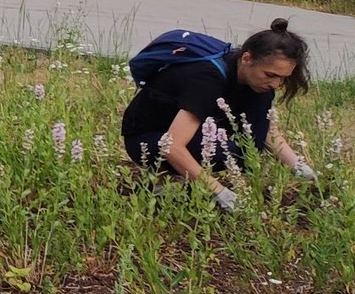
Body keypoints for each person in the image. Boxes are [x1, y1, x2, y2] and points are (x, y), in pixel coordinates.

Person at [121, 19, 316, 211]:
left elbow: (264, 131)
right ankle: (163, 182)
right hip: (147, 140)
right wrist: (220, 191)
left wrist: (300, 168)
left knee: (249, 148)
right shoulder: (207, 79)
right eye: (271, 75)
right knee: (226, 151)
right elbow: (171, 146)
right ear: (247, 59)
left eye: (283, 78)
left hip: (183, 133)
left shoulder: (256, 82)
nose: (276, 85)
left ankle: (185, 179)